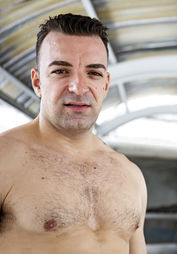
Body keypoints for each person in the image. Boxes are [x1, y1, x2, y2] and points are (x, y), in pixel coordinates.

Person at [0, 13, 147, 254]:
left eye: (94, 73)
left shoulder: (131, 175)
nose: (78, 87)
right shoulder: (5, 160)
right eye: (61, 71)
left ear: (106, 84)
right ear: (37, 82)